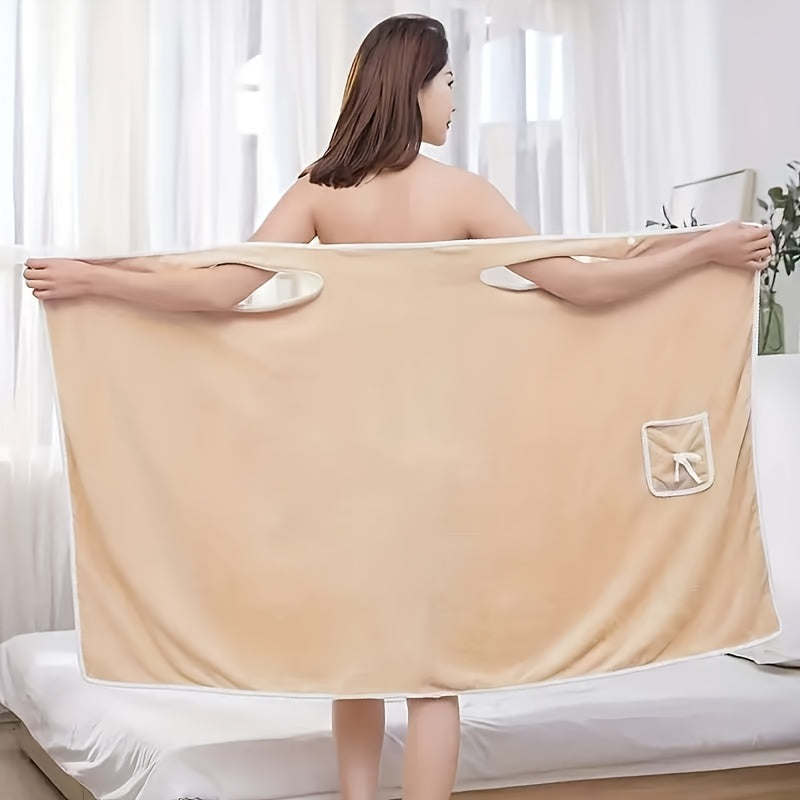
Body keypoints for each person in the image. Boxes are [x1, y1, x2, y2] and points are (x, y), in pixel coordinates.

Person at [23, 13, 772, 800]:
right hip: (440, 463)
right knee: (431, 668)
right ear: (412, 88)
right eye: (448, 82)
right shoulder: (463, 194)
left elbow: (218, 292)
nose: (455, 99)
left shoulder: (319, 192)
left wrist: (94, 280)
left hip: (343, 462)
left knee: (358, 656)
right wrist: (702, 249)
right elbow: (585, 284)